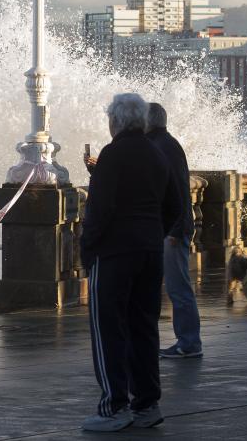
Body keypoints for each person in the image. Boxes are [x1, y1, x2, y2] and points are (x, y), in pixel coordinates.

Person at [80, 93, 181, 432]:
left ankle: (114, 407)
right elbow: (176, 204)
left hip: (114, 254)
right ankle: (147, 404)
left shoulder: (112, 154)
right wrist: (154, 233)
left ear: (116, 122)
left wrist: (88, 249)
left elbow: (99, 209)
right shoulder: (156, 153)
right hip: (149, 253)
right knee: (143, 327)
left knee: (108, 329)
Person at [146, 103, 202, 359]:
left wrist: (175, 230)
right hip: (170, 228)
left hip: (172, 231)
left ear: (149, 122)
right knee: (175, 287)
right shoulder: (166, 144)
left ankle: (189, 342)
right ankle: (186, 341)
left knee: (179, 287)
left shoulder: (161, 147)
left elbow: (177, 192)